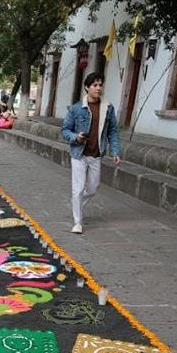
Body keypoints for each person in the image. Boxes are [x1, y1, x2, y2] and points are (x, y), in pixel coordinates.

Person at [59, 72, 121, 235]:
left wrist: (115, 151)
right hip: (79, 154)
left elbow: (113, 131)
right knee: (78, 189)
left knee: (93, 188)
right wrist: (76, 137)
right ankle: (77, 222)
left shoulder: (108, 107)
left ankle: (76, 204)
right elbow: (65, 130)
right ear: (87, 87)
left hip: (96, 154)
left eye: (100, 85)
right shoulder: (76, 108)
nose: (98, 88)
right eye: (94, 85)